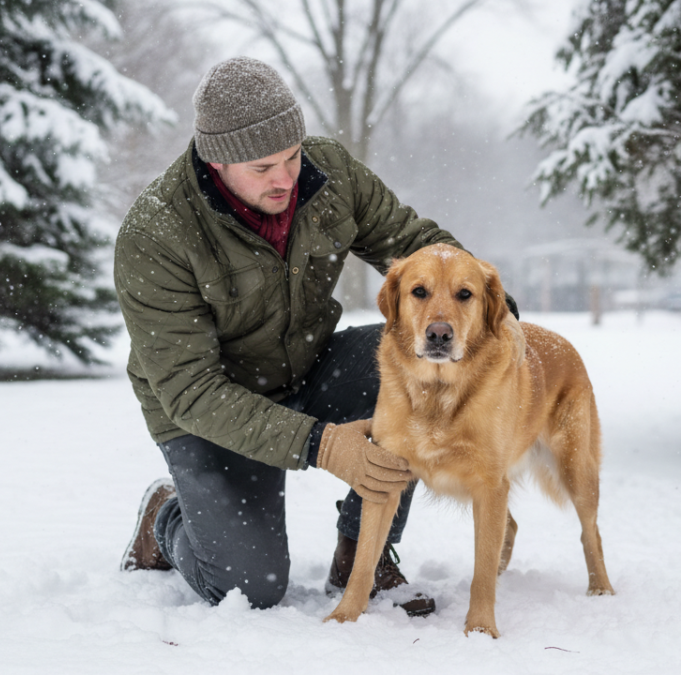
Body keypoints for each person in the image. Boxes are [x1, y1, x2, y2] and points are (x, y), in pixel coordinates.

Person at [114, 56, 513, 615]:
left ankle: (361, 555)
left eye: (292, 156)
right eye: (262, 167)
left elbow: (413, 242)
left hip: (311, 363)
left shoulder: (329, 174)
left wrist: (500, 313)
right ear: (216, 160)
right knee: (248, 588)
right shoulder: (157, 232)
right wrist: (322, 444)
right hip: (210, 407)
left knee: (424, 372)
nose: (285, 179)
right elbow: (189, 390)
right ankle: (165, 520)